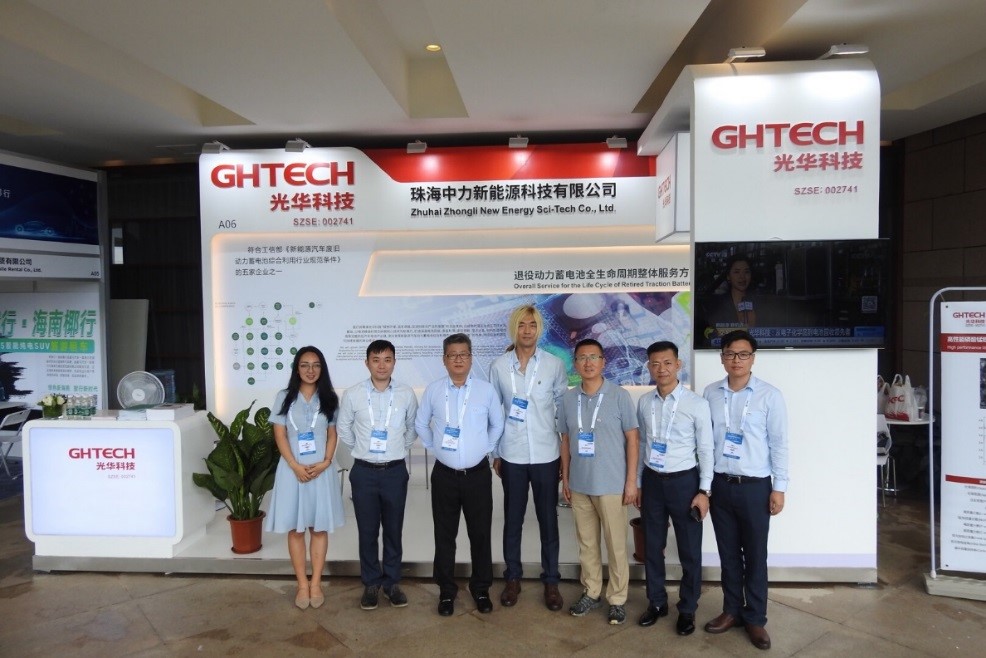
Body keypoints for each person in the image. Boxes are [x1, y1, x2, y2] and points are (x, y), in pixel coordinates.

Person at [702, 330, 788, 651]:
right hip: (721, 485)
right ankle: (731, 610)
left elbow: (779, 444)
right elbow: (705, 443)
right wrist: (704, 486)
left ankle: (755, 618)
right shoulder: (710, 393)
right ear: (721, 357)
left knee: (754, 555)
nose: (736, 360)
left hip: (755, 487)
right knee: (728, 554)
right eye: (730, 353)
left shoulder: (770, 396)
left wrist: (779, 487)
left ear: (753, 358)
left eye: (743, 354)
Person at [415, 333, 505, 617]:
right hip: (445, 475)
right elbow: (421, 423)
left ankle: (481, 588)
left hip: (477, 475)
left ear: (471, 358)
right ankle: (446, 590)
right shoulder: (433, 390)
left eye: (463, 354)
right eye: (452, 355)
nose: (458, 359)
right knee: (445, 535)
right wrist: (435, 448)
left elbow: (497, 424)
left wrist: (485, 449)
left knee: (480, 534)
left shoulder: (485, 391)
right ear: (444, 359)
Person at [488, 305, 568, 611]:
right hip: (512, 454)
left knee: (548, 520)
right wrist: (496, 452)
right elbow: (494, 413)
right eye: (521, 325)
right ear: (514, 328)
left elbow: (562, 413)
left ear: (539, 329)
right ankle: (513, 578)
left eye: (532, 325)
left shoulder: (554, 365)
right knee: (513, 520)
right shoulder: (498, 366)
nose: (527, 330)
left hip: (547, 454)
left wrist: (564, 457)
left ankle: (551, 581)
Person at [634, 341, 714, 635]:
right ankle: (656, 602)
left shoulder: (696, 404)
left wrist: (704, 492)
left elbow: (706, 450)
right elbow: (644, 443)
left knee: (690, 551)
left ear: (678, 365)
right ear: (649, 367)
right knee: (652, 547)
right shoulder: (644, 402)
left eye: (667, 363)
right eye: (655, 364)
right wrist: (639, 483)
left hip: (685, 483)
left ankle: (688, 608)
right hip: (653, 481)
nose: (661, 369)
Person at [559, 338, 639, 625]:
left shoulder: (619, 396)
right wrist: (566, 478)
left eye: (594, 357)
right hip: (580, 485)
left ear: (604, 362)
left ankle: (617, 599)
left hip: (612, 485)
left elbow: (633, 440)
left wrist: (631, 482)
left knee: (616, 546)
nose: (588, 362)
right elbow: (565, 440)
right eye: (582, 358)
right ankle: (591, 591)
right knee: (587, 544)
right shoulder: (568, 399)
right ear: (575, 365)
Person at [337, 340, 418, 611]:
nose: (382, 365)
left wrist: (397, 449)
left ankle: (392, 583)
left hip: (395, 471)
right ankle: (371, 583)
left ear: (394, 362)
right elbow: (344, 429)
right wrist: (361, 449)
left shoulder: (406, 394)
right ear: (367, 362)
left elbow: (412, 428)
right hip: (364, 472)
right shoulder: (353, 394)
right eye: (376, 359)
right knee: (367, 531)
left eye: (387, 359)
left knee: (394, 530)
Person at [264, 346, 344, 610]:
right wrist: (294, 465)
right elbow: (279, 434)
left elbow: (332, 433)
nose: (311, 370)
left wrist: (326, 462)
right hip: (292, 471)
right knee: (296, 529)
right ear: (297, 369)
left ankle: (316, 583)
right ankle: (301, 585)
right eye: (305, 365)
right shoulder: (284, 397)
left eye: (316, 365)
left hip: (321, 470)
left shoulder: (329, 398)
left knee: (319, 528)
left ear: (322, 369)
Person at [703, 255, 759, 343]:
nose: (742, 277)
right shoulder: (717, 304)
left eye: (746, 272)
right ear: (728, 276)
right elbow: (710, 333)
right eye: (737, 272)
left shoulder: (758, 303)